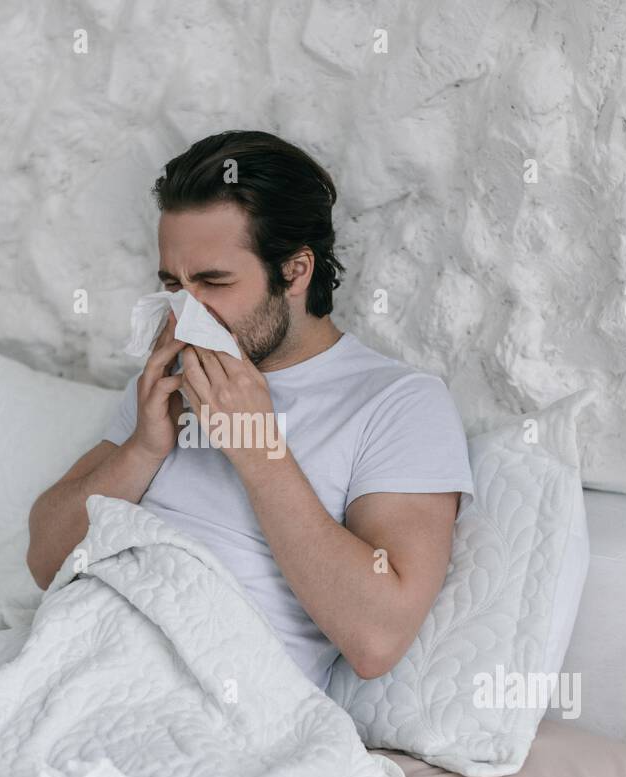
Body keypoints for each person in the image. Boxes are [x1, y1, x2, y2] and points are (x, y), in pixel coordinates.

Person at [27, 130, 474, 691]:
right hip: (71, 659)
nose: (188, 311)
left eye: (214, 281)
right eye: (173, 284)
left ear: (295, 271)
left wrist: (258, 450)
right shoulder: (172, 375)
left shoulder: (399, 404)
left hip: (211, 694)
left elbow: (376, 638)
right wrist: (143, 449)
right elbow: (46, 560)